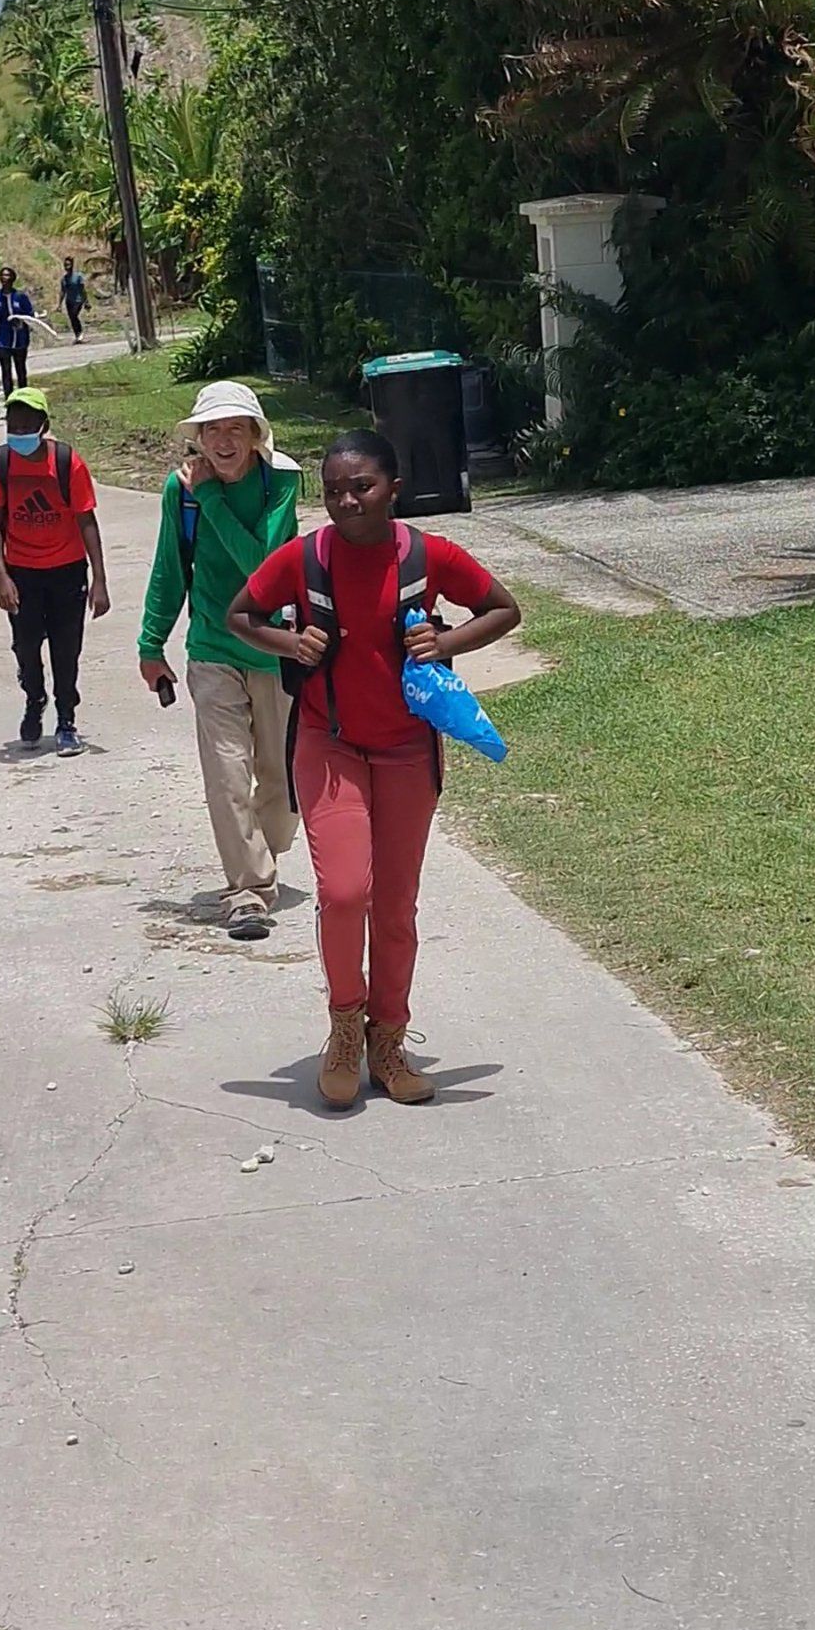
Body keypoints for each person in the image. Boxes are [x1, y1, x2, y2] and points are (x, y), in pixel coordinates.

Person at [227, 430, 518, 1108]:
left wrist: (445, 641)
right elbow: (240, 614)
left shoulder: (429, 555)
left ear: (394, 489)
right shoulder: (305, 558)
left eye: (362, 487)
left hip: (408, 749)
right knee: (343, 892)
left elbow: (503, 608)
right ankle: (344, 1026)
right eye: (333, 491)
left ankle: (389, 1038)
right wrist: (290, 642)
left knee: (394, 903)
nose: (347, 501)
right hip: (329, 744)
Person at [138, 380, 301, 939]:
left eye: (236, 429)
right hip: (211, 648)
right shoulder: (179, 491)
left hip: (275, 650)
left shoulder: (282, 482)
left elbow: (263, 569)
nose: (224, 441)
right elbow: (169, 568)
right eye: (213, 430)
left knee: (284, 782)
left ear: (256, 436)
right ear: (199, 438)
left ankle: (258, 852)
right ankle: (249, 890)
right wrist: (150, 644)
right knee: (227, 774)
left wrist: (210, 499)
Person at [0, 386, 109, 755]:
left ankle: (66, 719)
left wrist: (99, 580)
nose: (19, 432)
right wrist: (2, 576)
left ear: (44, 425)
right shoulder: (1, 463)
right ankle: (34, 698)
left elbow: (87, 521)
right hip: (22, 573)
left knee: (66, 650)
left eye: (27, 424)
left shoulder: (67, 463)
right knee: (25, 646)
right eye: (13, 425)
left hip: (67, 571)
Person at [0, 267, 37, 402]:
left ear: (13, 278)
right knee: (6, 370)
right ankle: (9, 400)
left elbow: (30, 317)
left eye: (7, 275)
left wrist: (21, 322)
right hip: (3, 340)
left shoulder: (21, 297)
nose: (5, 278)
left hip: (20, 339)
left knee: (21, 370)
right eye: (2, 275)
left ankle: (24, 399)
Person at [59, 256, 87, 340]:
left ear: (72, 265)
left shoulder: (78, 276)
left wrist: (86, 301)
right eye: (65, 265)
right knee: (72, 318)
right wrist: (59, 304)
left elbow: (82, 289)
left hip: (78, 300)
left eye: (68, 265)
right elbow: (63, 292)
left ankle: (80, 332)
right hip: (69, 301)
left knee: (74, 315)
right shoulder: (64, 279)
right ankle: (77, 335)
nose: (66, 267)